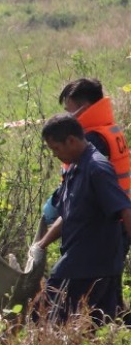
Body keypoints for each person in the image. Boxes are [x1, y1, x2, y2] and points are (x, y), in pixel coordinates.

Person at [31, 115, 131, 324]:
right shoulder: (76, 167)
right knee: (96, 328)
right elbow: (68, 215)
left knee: (44, 316)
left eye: (56, 149)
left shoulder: (97, 168)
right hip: (84, 264)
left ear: (71, 141)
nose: (55, 155)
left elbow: (124, 209)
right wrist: (41, 245)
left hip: (87, 267)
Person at [43, 78, 130, 224]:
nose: (67, 115)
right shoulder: (108, 129)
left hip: (103, 222)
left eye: (68, 110)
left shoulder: (93, 139)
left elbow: (79, 185)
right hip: (115, 214)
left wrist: (57, 203)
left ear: (84, 107)